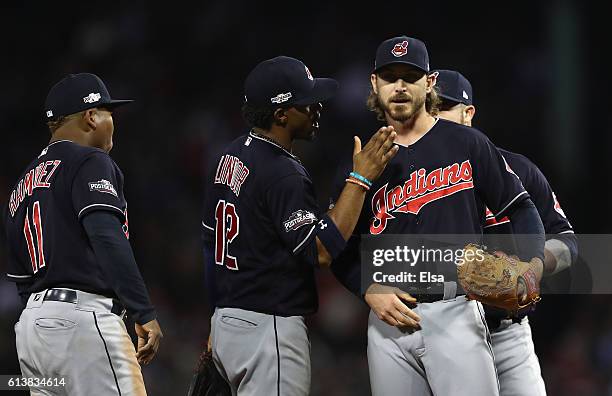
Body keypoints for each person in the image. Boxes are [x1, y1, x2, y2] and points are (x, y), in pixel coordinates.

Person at [329, 36, 546, 396]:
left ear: (428, 83)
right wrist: (366, 286)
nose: (399, 86)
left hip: (457, 310)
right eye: (390, 77)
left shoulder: (468, 144)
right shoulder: (360, 161)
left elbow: (521, 206)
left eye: (410, 77)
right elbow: (336, 247)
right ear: (374, 84)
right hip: (389, 323)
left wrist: (533, 266)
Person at [201, 56, 398, 396]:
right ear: (281, 114)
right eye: (305, 103)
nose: (317, 107)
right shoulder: (282, 172)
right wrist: (360, 179)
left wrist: (222, 320)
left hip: (225, 322)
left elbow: (209, 244)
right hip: (267, 328)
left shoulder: (231, 154)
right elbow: (320, 251)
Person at [4, 73, 162, 395]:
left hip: (32, 332)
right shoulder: (89, 160)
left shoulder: (22, 182)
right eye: (109, 114)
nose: (112, 122)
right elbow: (106, 235)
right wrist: (143, 311)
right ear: (91, 116)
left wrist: (43, 316)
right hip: (82, 321)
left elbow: (19, 272)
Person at [434, 68, 578, 395]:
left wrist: (533, 269)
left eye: (443, 107)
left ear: (468, 113)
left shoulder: (520, 170)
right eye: (428, 109)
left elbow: (567, 241)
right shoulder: (410, 183)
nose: (435, 118)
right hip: (440, 333)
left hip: (507, 335)